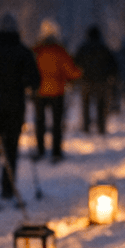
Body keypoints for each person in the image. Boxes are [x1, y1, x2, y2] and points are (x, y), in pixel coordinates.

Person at [0, 12, 40, 206]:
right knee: (11, 147)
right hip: (15, 106)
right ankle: (8, 188)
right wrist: (26, 85)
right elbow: (35, 81)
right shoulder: (22, 51)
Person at [32, 20, 81, 162]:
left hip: (39, 92)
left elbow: (31, 70)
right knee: (57, 123)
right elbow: (71, 71)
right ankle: (56, 152)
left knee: (40, 122)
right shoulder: (60, 51)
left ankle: (40, 150)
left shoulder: (37, 51)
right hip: (57, 92)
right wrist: (79, 73)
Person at [74, 24, 118, 135]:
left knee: (86, 105)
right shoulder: (104, 48)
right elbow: (113, 64)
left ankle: (86, 127)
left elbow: (76, 63)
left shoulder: (83, 48)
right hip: (102, 82)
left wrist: (77, 77)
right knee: (102, 105)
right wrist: (111, 77)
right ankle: (101, 127)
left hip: (86, 81)